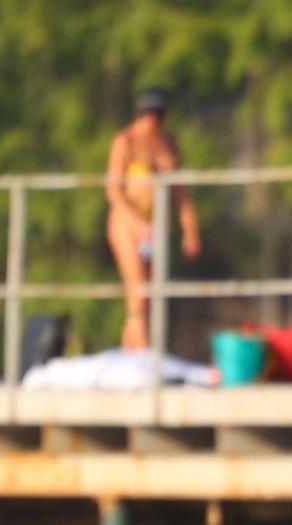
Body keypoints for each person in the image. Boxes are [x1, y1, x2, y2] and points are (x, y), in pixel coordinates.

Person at [106, 88, 202, 352]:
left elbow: (181, 192)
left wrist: (190, 229)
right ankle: (144, 351)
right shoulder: (125, 141)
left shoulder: (167, 143)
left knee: (148, 293)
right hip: (128, 224)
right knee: (138, 292)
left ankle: (132, 354)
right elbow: (113, 190)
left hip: (155, 226)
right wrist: (136, 224)